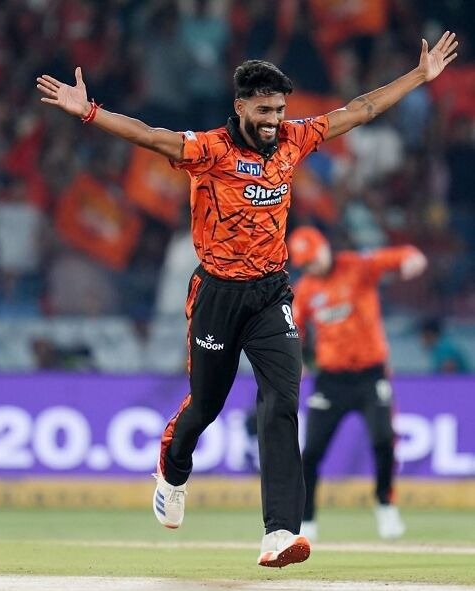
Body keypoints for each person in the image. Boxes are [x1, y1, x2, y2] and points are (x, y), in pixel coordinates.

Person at [36, 31, 457, 567]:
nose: (274, 120)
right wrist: (90, 112)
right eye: (264, 110)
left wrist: (419, 76)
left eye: (279, 110)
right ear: (241, 107)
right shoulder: (210, 149)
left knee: (281, 402)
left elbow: (361, 109)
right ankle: (172, 469)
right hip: (217, 294)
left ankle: (280, 532)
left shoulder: (295, 139)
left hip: (270, 294)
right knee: (206, 405)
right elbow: (150, 136)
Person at [288, 226, 428, 541]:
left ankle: (385, 504)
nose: (312, 266)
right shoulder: (306, 289)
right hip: (331, 380)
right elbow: (294, 330)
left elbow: (396, 257)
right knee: (311, 451)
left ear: (324, 247)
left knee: (384, 440)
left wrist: (411, 259)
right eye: (305, 263)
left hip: (371, 375)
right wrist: (296, 361)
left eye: (313, 258)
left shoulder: (357, 266)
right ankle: (307, 520)